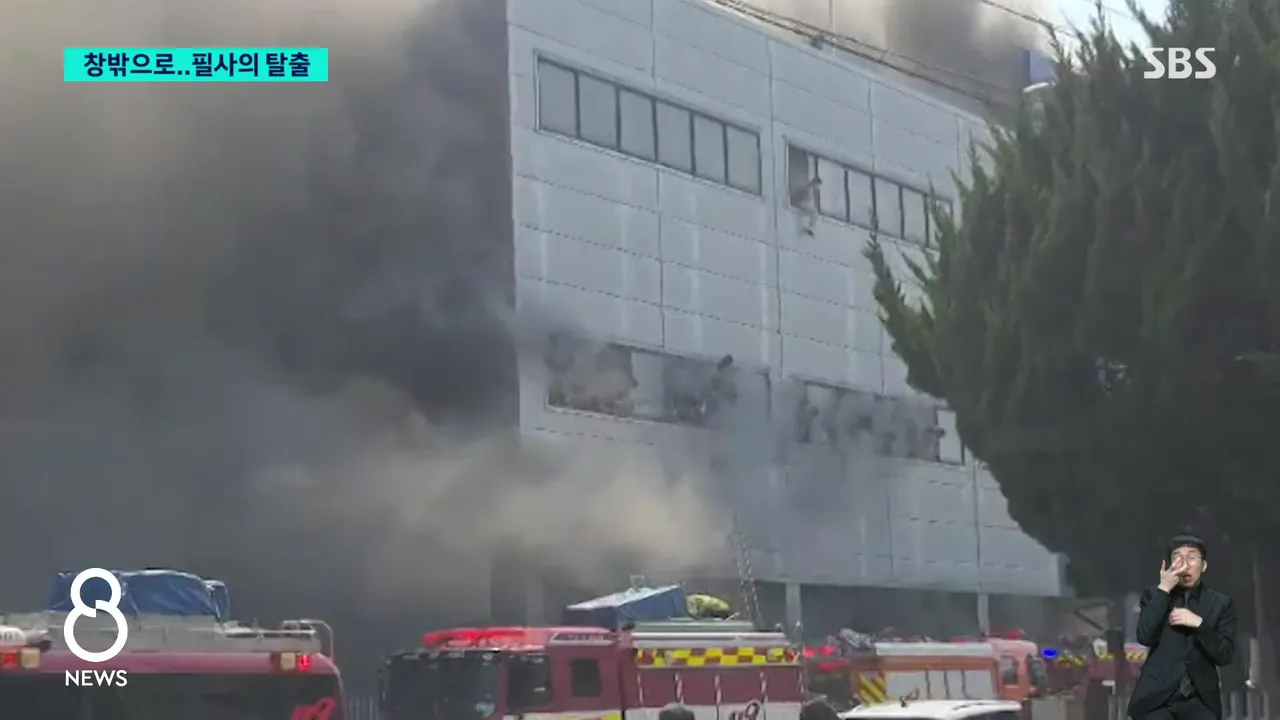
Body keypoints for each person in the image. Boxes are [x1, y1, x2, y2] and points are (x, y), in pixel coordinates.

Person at [1128, 534, 1236, 720]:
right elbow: (1144, 636)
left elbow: (1224, 655)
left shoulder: (1220, 603)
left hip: (1199, 700)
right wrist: (1164, 589)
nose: (1184, 565)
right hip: (1156, 699)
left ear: (1203, 565)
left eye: (1191, 558)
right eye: (1178, 558)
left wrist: (1200, 624)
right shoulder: (1154, 594)